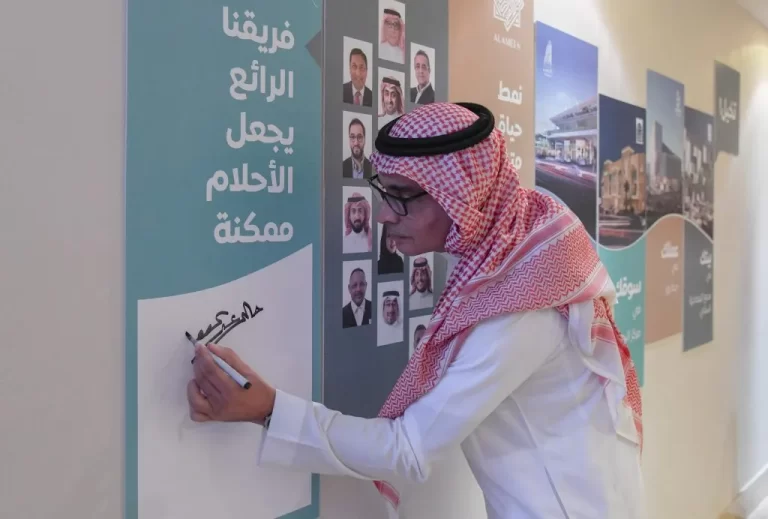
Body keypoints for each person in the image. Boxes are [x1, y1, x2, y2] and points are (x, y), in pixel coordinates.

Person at [187, 102, 646, 519]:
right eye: (383, 191)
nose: (383, 215)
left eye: (402, 194)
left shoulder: (521, 304)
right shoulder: (516, 240)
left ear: (464, 195)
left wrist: (269, 410)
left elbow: (409, 450)